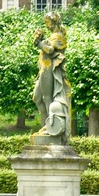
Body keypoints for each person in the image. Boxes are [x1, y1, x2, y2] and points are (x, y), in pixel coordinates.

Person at [32, 11, 71, 143]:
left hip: (49, 68)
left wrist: (39, 43)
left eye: (47, 22)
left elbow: (50, 50)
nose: (46, 25)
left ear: (53, 22)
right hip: (43, 68)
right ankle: (46, 125)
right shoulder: (52, 36)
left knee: (47, 98)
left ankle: (50, 126)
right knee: (37, 98)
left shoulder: (59, 36)